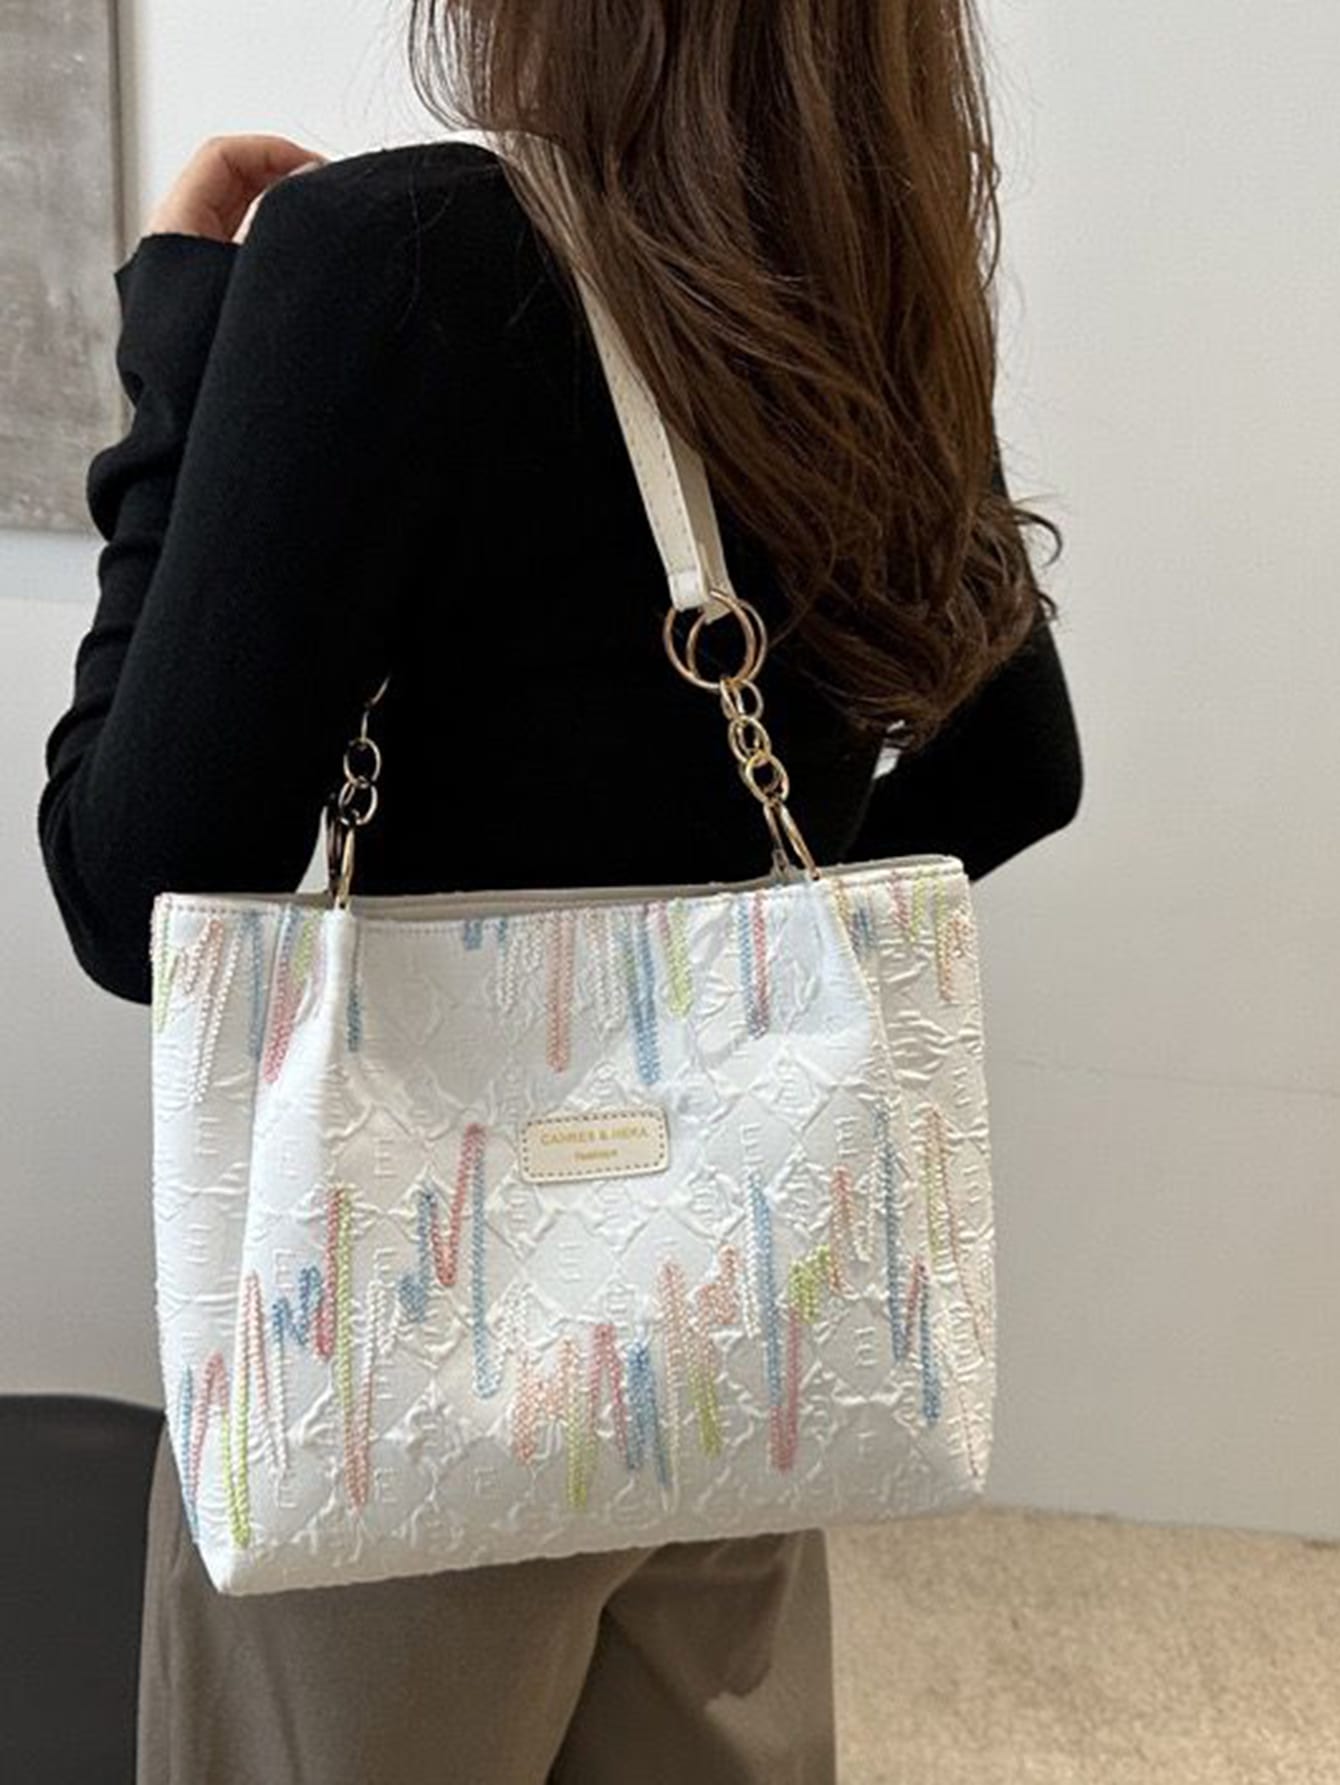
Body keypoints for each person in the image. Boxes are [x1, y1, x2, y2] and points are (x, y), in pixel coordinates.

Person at [36, 4, 1083, 1780]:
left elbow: (127, 887)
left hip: (398, 1383)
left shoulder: (385, 260)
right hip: (737, 1333)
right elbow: (1021, 765)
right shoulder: (866, 284)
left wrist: (184, 366)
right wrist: (735, 1019)